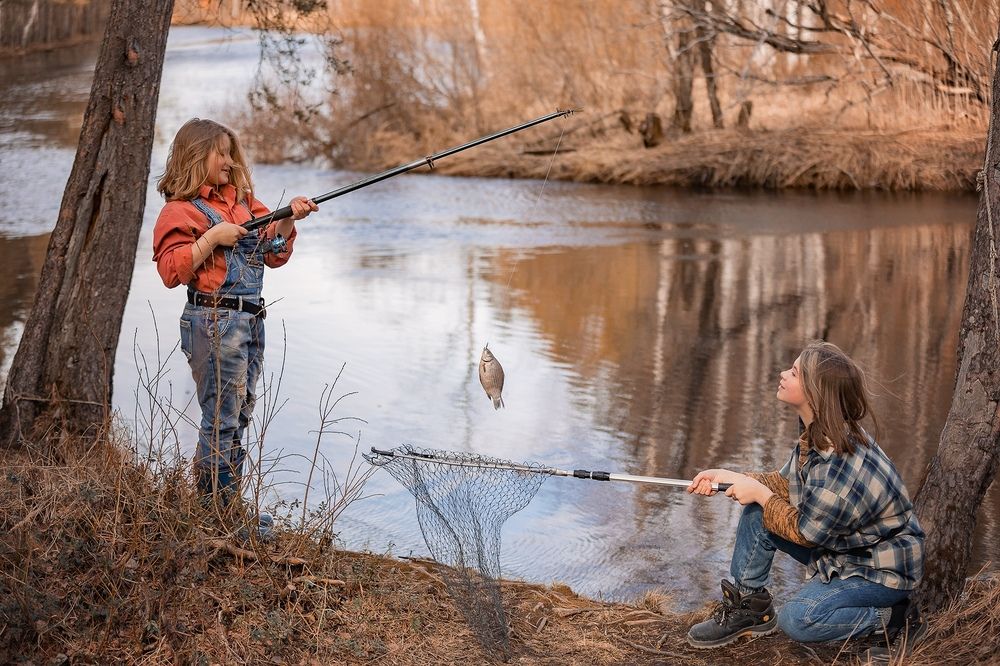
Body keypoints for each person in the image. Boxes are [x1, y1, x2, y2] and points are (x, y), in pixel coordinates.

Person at [685, 341, 926, 661]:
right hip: (846, 550)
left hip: (880, 571)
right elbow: (784, 485)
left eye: (795, 372)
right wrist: (730, 477)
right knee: (760, 512)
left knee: (798, 619)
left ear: (815, 393)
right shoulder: (820, 432)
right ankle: (750, 606)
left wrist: (759, 493)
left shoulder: (839, 463)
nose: (783, 373)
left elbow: (806, 533)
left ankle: (894, 618)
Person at [152, 118, 318, 522]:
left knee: (240, 413)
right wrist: (212, 238)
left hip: (250, 320)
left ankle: (229, 510)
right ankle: (216, 515)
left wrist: (289, 218)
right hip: (212, 320)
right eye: (220, 153)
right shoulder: (180, 210)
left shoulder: (243, 203)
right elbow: (172, 272)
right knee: (221, 418)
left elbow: (274, 253)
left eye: (231, 153)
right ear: (196, 156)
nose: (229, 161)